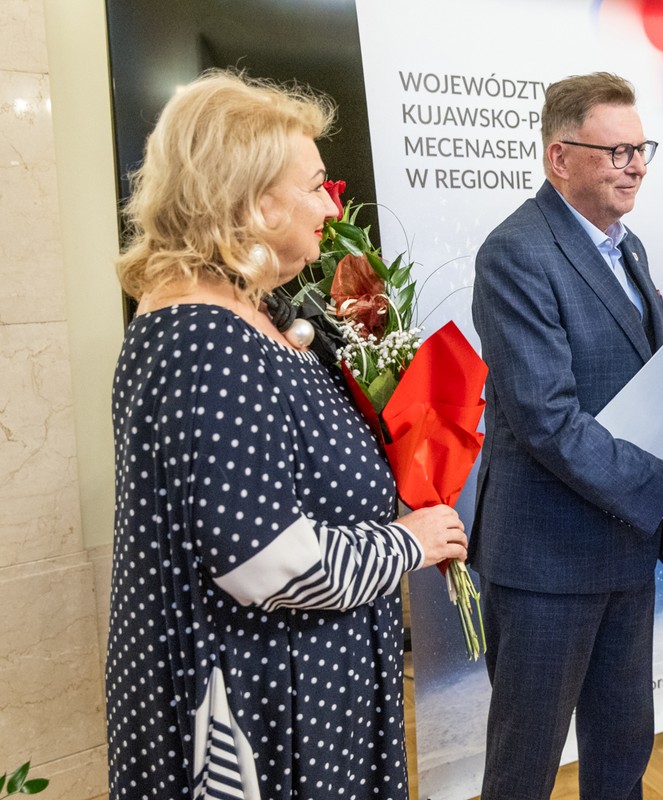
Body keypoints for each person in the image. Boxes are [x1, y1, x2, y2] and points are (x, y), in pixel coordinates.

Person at [106, 70, 469, 798]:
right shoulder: (202, 341)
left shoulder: (241, 323)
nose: (329, 213)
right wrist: (411, 541)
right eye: (314, 187)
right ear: (248, 198)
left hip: (300, 694)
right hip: (258, 717)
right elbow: (266, 565)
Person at [469, 71, 663, 800]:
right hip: (544, 563)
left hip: (624, 546)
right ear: (560, 157)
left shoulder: (630, 247)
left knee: (622, 758)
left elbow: (630, 390)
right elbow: (549, 423)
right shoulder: (516, 254)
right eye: (617, 152)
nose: (637, 167)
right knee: (523, 771)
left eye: (641, 149)